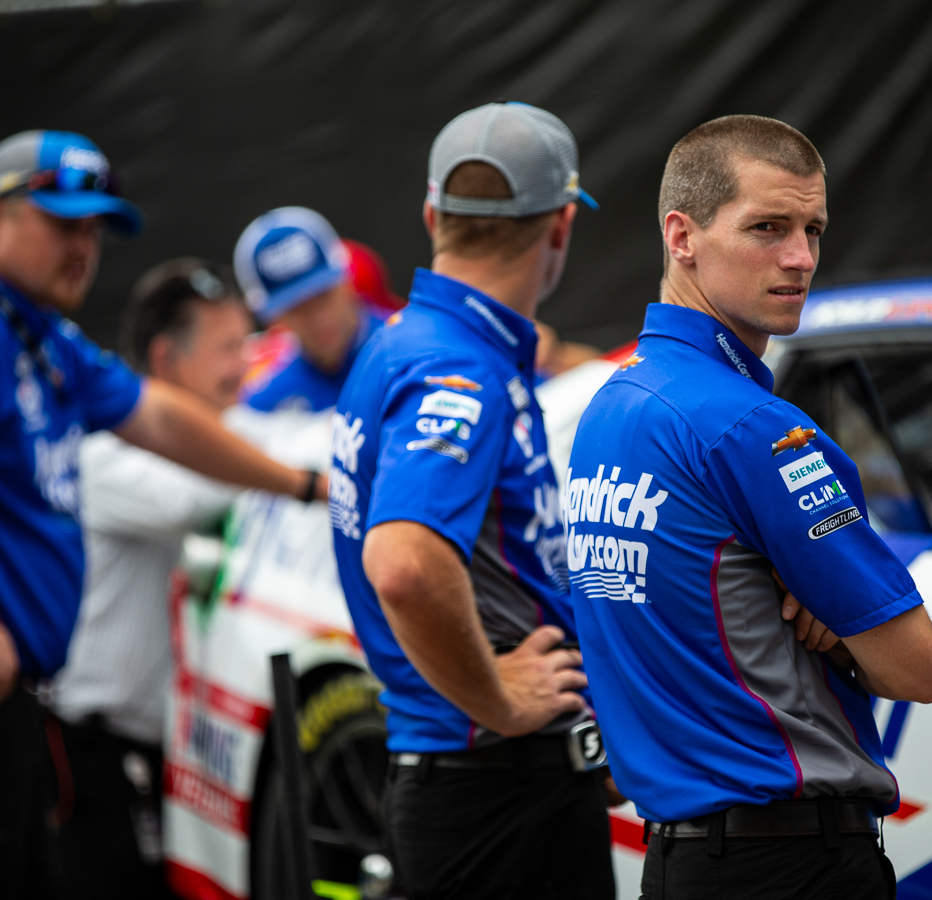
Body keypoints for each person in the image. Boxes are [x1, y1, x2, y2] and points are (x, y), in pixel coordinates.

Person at [0, 130, 322, 900]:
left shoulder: (37, 333)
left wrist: (301, 484)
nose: (82, 247)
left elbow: (160, 419)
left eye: (94, 230)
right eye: (61, 223)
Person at [565, 115, 932, 899]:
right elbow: (915, 668)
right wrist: (833, 614)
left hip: (679, 861)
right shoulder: (754, 428)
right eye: (767, 227)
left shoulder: (610, 407)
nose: (800, 257)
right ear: (682, 236)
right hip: (791, 861)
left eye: (813, 230)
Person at [328, 102, 614, 899]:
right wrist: (502, 701)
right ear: (560, 224)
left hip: (476, 780)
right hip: (492, 785)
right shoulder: (459, 369)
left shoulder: (404, 342)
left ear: (431, 216)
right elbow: (404, 565)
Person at [49, 259, 255, 900]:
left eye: (248, 344)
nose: (245, 366)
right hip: (90, 748)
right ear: (167, 359)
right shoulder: (104, 451)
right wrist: (302, 461)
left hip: (160, 751)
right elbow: (194, 496)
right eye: (227, 349)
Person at [236, 208, 386, 413]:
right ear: (273, 319)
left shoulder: (411, 352)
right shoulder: (266, 404)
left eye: (323, 295)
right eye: (296, 307)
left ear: (347, 280)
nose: (317, 317)